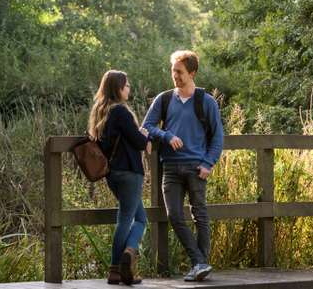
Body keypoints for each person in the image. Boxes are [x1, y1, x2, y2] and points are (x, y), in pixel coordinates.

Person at [143, 50, 224, 282]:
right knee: (175, 216)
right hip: (170, 168)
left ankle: (200, 264)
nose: (175, 76)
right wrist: (166, 135)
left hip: (196, 167)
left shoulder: (205, 101)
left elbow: (218, 137)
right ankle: (200, 263)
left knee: (200, 215)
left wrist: (209, 163)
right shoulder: (164, 99)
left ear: (192, 72)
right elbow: (147, 125)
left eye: (179, 72)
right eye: (173, 71)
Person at [88, 70, 151, 285]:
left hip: (112, 174)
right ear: (117, 88)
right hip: (130, 173)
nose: (129, 88)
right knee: (127, 219)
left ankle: (123, 262)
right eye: (126, 85)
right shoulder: (120, 112)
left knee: (140, 217)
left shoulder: (100, 111)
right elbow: (139, 142)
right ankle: (121, 262)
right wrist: (144, 136)